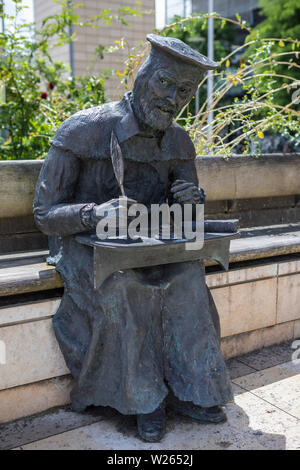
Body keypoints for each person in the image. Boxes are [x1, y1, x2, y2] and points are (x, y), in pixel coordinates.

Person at [33, 34, 233, 442]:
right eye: (165, 83)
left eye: (184, 91)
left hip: (151, 245)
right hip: (85, 248)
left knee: (190, 279)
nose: (172, 98)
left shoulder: (178, 141)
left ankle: (193, 390)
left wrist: (192, 199)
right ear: (144, 77)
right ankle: (143, 401)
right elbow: (45, 214)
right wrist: (94, 213)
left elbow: (187, 215)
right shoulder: (83, 130)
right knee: (126, 288)